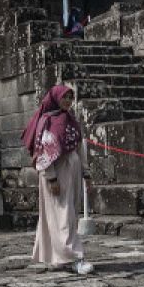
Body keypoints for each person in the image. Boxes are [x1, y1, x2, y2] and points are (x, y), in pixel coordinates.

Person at [24, 84, 93, 275]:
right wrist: (51, 178)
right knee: (62, 215)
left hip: (73, 170)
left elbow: (80, 147)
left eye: (71, 98)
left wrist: (86, 173)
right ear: (55, 98)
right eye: (65, 97)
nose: (68, 101)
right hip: (57, 172)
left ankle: (58, 256)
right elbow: (44, 153)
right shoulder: (48, 121)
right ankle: (74, 257)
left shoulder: (70, 120)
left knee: (68, 214)